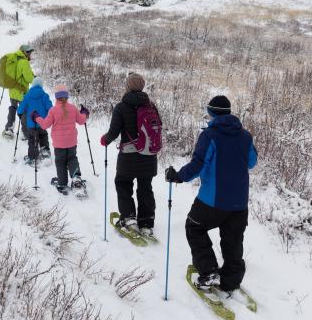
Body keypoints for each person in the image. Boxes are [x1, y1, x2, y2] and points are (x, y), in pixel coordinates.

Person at [165, 95, 258, 293]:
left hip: (213, 201)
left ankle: (208, 273)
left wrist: (178, 177)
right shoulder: (245, 135)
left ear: (211, 112)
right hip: (239, 203)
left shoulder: (210, 135)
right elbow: (251, 162)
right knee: (232, 241)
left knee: (194, 227)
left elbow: (198, 164)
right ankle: (231, 282)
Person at [100, 73, 159, 236]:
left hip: (129, 157)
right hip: (149, 155)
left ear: (128, 86)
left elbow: (113, 131)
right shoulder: (151, 105)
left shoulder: (121, 106)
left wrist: (105, 140)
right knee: (145, 188)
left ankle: (129, 219)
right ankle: (147, 223)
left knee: (123, 184)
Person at [33, 84, 89, 195]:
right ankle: (76, 178)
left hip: (59, 144)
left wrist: (36, 117)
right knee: (72, 158)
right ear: (67, 96)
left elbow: (44, 125)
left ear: (56, 97)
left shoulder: (53, 111)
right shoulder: (73, 108)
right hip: (72, 142)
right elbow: (82, 121)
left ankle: (62, 183)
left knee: (60, 162)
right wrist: (84, 113)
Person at [2, 44, 35, 138]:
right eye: (29, 52)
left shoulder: (13, 60)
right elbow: (29, 78)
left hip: (12, 90)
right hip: (22, 92)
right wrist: (35, 78)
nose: (30, 54)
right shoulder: (24, 62)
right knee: (25, 111)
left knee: (13, 108)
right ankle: (26, 133)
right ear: (25, 52)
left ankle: (9, 129)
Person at [16, 77, 52, 164]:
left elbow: (21, 108)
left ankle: (32, 157)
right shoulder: (45, 96)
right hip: (43, 122)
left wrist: (20, 114)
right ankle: (45, 152)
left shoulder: (27, 96)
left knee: (32, 139)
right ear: (41, 85)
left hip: (31, 124)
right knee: (43, 135)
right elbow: (50, 108)